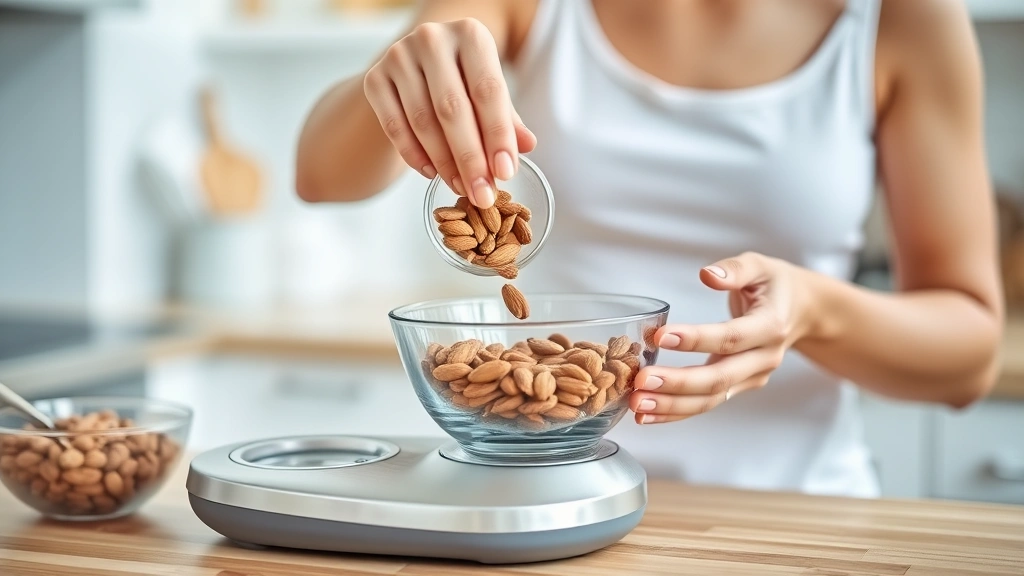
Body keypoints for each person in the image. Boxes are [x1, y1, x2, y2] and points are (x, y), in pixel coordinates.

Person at [295, 0, 1003, 497]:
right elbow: (320, 174)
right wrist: (395, 75)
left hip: (798, 512)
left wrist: (816, 312)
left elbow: (969, 358)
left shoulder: (903, 17)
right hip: (553, 505)